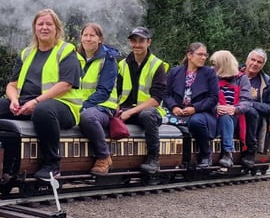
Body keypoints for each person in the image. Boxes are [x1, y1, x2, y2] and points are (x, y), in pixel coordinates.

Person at [0, 8, 82, 180]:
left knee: (43, 110)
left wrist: (36, 102)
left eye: (49, 24)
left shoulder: (66, 51)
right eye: (40, 24)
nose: (44, 28)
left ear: (57, 28)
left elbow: (66, 84)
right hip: (25, 103)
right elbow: (11, 84)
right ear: (34, 28)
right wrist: (14, 100)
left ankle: (52, 164)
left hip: (62, 107)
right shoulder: (26, 53)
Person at [112, 27, 168, 174]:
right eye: (134, 41)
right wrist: (115, 107)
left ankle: (154, 158)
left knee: (147, 115)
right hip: (125, 109)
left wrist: (130, 111)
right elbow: (115, 91)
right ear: (130, 42)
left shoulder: (157, 65)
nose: (137, 44)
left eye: (141, 41)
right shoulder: (122, 64)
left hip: (150, 111)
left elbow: (156, 99)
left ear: (149, 42)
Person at [164, 42, 218, 169]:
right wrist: (174, 107)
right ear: (189, 55)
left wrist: (195, 108)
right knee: (159, 121)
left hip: (202, 113)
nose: (204, 58)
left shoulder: (209, 73)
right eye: (200, 54)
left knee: (196, 122)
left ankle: (206, 154)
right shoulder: (174, 72)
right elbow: (165, 94)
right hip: (176, 112)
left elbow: (213, 98)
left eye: (205, 55)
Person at [76, 23, 120, 175]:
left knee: (87, 117)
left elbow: (104, 91)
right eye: (85, 35)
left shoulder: (108, 59)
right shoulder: (73, 57)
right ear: (81, 37)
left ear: (100, 39)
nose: (88, 39)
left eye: (92, 35)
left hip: (103, 106)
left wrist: (83, 106)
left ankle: (103, 157)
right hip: (77, 104)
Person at [209, 50, 253, 168]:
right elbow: (204, 97)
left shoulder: (242, 79)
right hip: (212, 113)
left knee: (226, 117)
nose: (212, 67)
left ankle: (227, 153)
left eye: (215, 65)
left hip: (234, 117)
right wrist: (216, 107)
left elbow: (247, 101)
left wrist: (234, 109)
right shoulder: (210, 77)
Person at [240, 48, 270, 165]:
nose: (255, 64)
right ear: (247, 60)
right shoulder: (232, 74)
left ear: (263, 65)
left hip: (254, 121)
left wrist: (250, 104)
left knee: (251, 111)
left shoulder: (269, 84)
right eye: (253, 60)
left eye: (259, 62)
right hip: (231, 113)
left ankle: (250, 151)